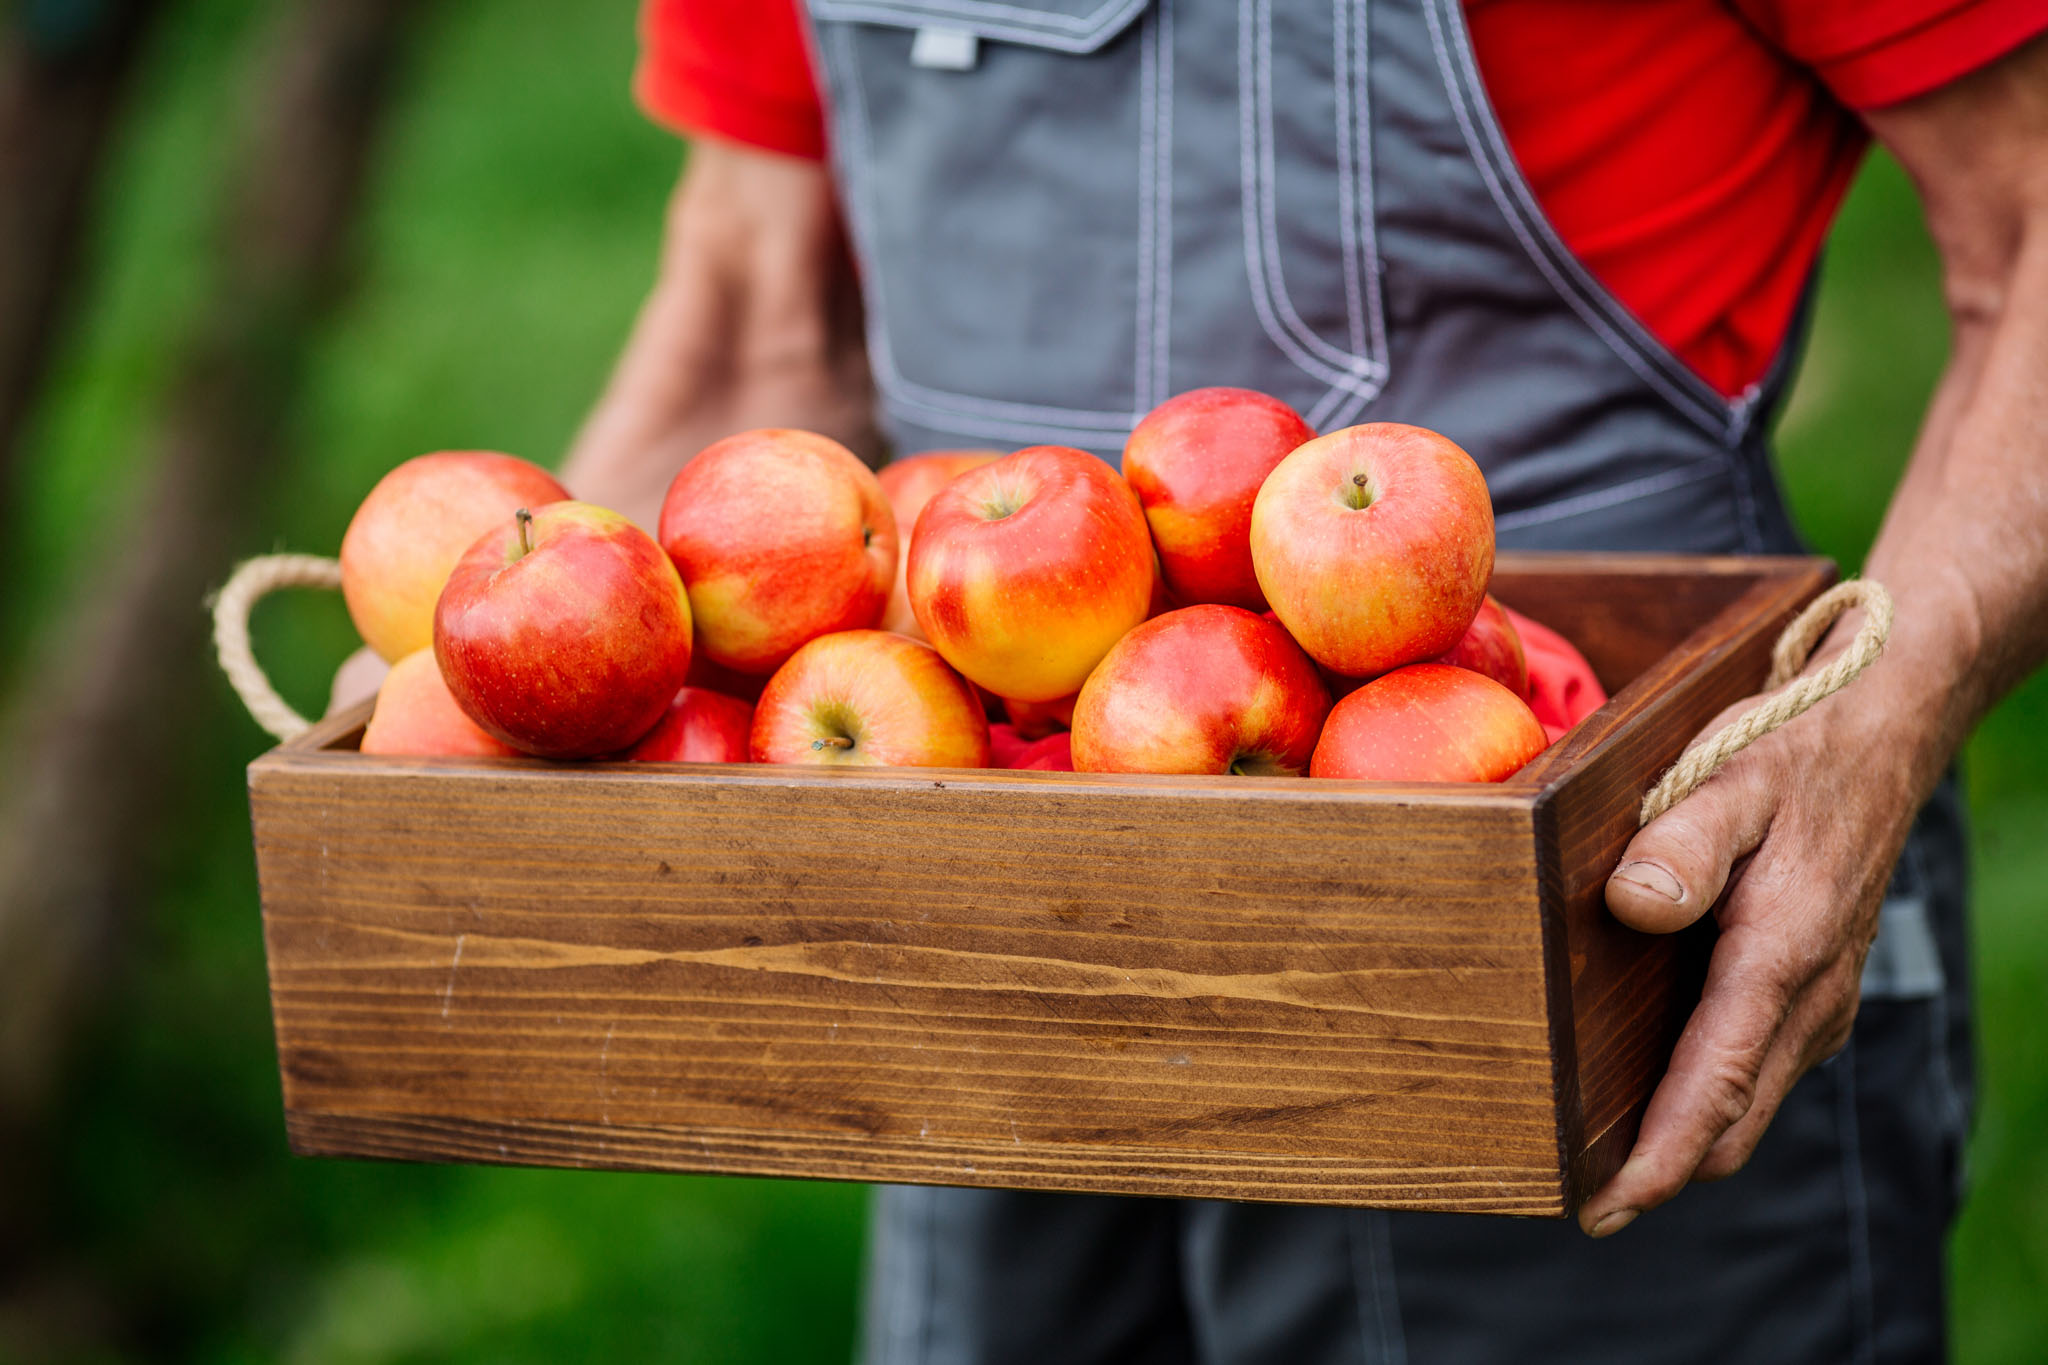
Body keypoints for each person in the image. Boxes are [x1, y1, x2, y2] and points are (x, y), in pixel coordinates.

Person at [555, 3, 2048, 1361]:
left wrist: (1874, 717)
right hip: (978, 904)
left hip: (1581, 901)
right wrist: (510, 662)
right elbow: (755, 312)